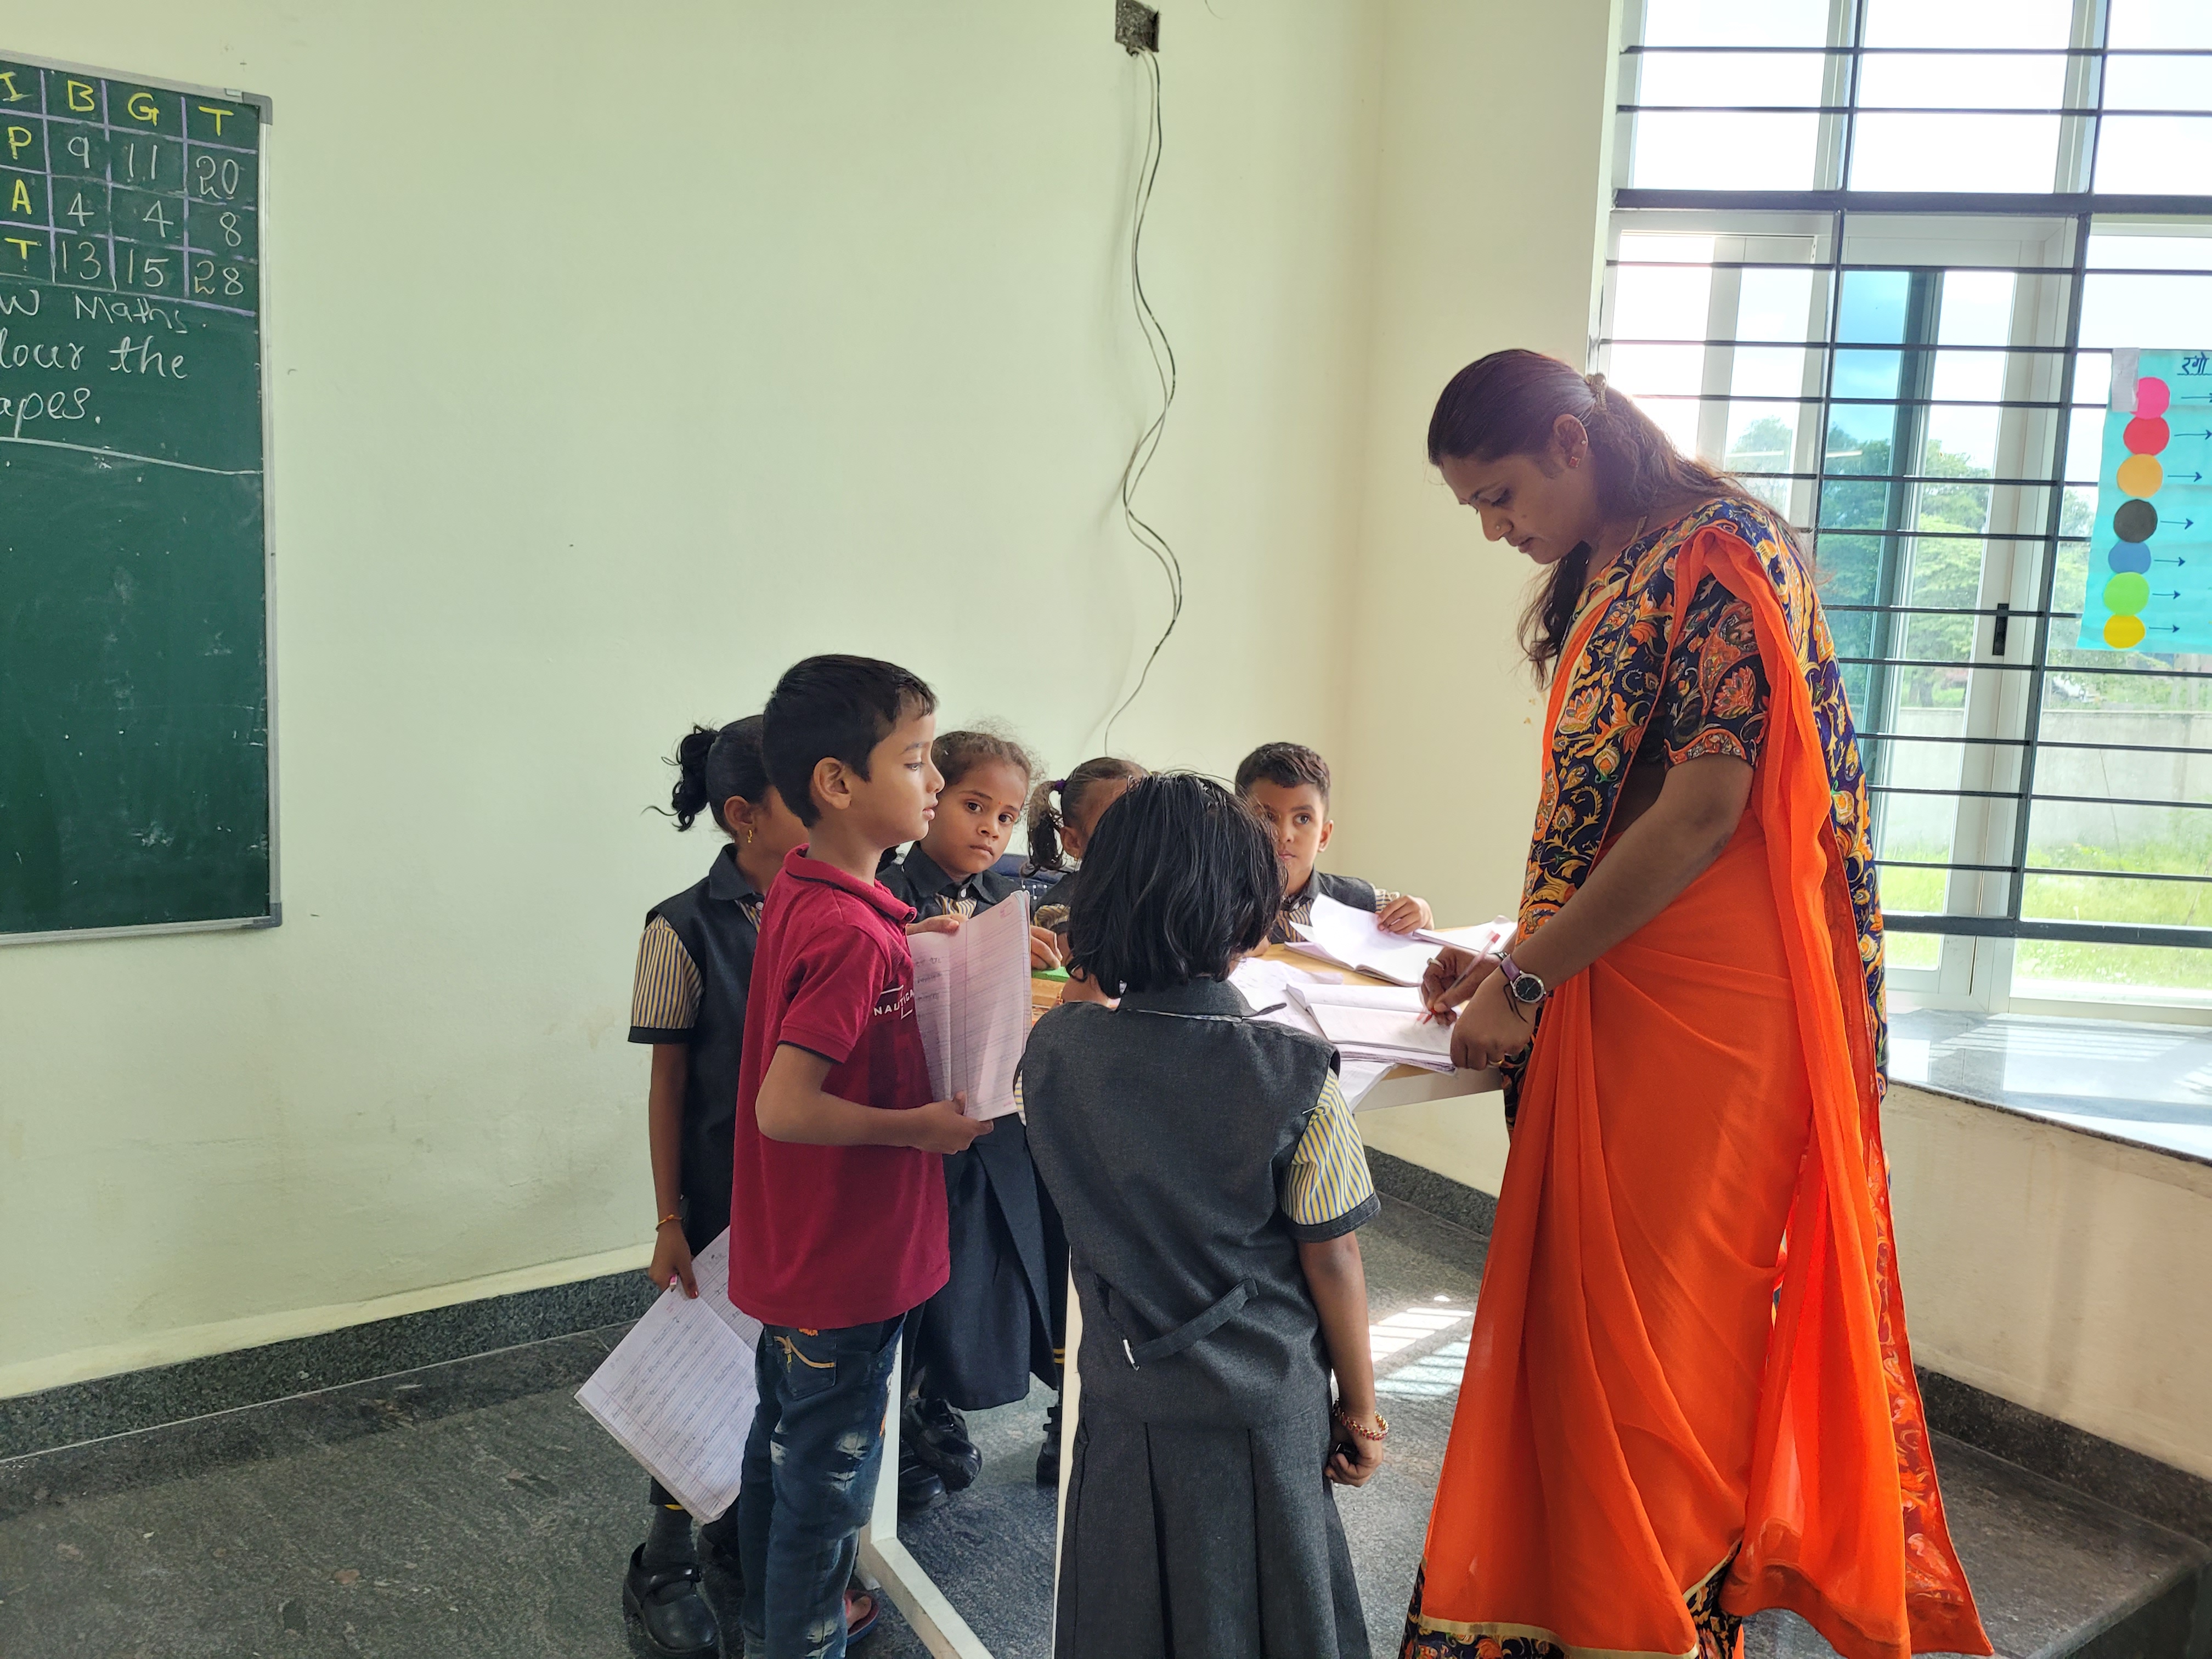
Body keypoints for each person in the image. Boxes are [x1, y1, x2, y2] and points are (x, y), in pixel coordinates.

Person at [1402, 351, 1989, 1659]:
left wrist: (1532, 975)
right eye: (1477, 509)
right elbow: (1600, 823)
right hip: (1612, 976)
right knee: (1584, 1339)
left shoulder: (1721, 552)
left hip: (1715, 1011)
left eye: (1500, 496)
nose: (1496, 531)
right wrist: (1511, 954)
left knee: (1670, 1340)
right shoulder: (1608, 567)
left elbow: (1705, 812)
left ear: (1571, 442)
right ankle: (1577, 1615)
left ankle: (1658, 1626)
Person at [1024, 772, 1384, 1659]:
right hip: (1259, 1407)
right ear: (1252, 918)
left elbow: (1083, 1016)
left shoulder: (1054, 1051)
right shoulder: (1296, 1073)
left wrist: (1094, 962)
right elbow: (1333, 1257)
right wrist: (1361, 1409)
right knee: (1273, 1605)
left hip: (1125, 1393)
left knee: (1127, 1602)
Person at [728, 655, 993, 1659]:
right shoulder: (852, 933)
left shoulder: (813, 889)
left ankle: (768, 1623)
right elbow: (785, 1106)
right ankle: (801, 1636)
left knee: (784, 1446)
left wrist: (914, 941)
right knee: (828, 1488)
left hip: (802, 1250)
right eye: (917, 760)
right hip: (847, 1261)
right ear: (839, 783)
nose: (937, 780)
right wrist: (921, 1126)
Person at [624, 716, 808, 1658]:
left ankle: (744, 1529)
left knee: (785, 1376)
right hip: (720, 1191)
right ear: (745, 814)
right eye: (806, 795)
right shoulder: (680, 925)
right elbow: (667, 1086)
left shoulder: (840, 904)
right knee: (700, 1372)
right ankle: (663, 1563)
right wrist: (669, 1216)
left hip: (810, 1192)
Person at [880, 729, 1065, 1502]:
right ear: (932, 800)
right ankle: (899, 1415)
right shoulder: (888, 890)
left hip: (991, 1122)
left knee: (981, 1270)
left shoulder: (1011, 903)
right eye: (974, 805)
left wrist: (1034, 963)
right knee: (915, 1281)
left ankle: (938, 1401)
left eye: (1007, 816)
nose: (991, 828)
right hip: (913, 1125)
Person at [1234, 741, 1434, 944]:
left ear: (1324, 836)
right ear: (1239, 827)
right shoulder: (1221, 906)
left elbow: (1421, 931)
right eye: (1267, 817)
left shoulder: (1357, 900)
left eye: (1303, 819)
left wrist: (1423, 915)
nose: (1285, 834)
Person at [1019, 755, 1146, 937]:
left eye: (1148, 818)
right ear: (1073, 843)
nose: (1139, 833)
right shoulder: (1064, 912)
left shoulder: (1156, 890)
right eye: (1116, 824)